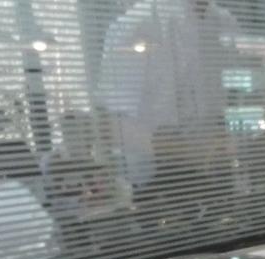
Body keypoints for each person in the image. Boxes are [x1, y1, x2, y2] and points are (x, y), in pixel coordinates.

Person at [97, 0, 239, 224]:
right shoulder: (138, 24)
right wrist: (186, 152)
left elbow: (223, 104)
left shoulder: (224, 23)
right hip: (158, 188)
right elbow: (113, 124)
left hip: (213, 181)